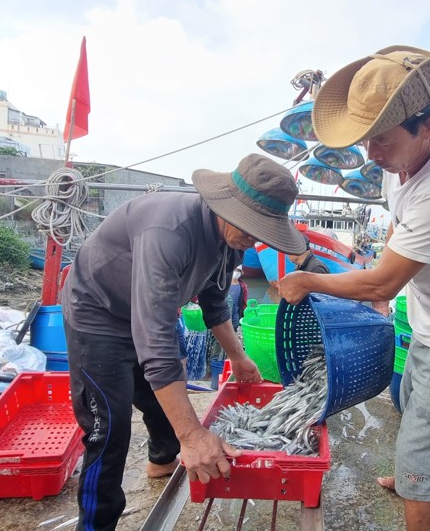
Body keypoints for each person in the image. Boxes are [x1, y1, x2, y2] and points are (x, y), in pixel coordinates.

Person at [277, 45, 430, 531]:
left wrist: (308, 280)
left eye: (381, 140)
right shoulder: (403, 163)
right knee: (411, 401)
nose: (372, 154)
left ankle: (419, 486)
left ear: (429, 127)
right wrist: (382, 278)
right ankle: (411, 472)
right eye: (367, 140)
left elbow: (385, 278)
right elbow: (396, 228)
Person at [60, 154, 306, 531]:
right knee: (108, 427)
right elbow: (155, 341)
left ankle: (162, 461)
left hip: (150, 310)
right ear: (226, 204)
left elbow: (214, 301)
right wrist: (192, 435)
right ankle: (95, 525)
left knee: (162, 401)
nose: (253, 237)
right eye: (251, 226)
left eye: (261, 230)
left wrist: (237, 357)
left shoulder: (233, 237)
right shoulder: (170, 231)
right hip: (99, 312)